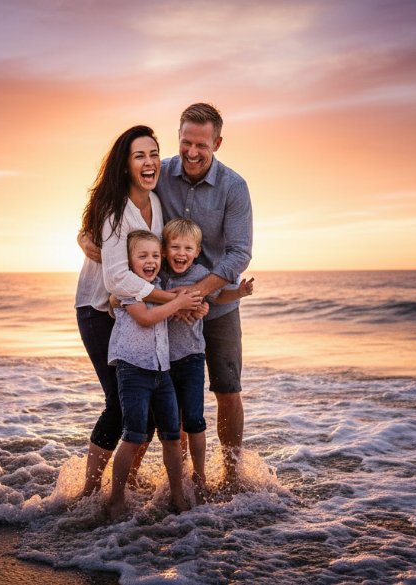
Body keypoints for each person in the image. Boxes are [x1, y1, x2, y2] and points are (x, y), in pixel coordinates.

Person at [80, 103, 253, 491]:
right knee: (160, 393)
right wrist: (83, 234)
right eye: (186, 142)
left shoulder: (234, 187)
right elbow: (115, 202)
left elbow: (239, 252)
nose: (192, 152)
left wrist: (198, 293)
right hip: (164, 301)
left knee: (227, 389)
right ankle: (142, 481)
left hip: (213, 299)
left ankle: (233, 477)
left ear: (217, 143)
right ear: (179, 138)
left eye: (202, 145)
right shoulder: (159, 174)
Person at [74, 125, 203, 498]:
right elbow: (115, 280)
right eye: (138, 156)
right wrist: (174, 301)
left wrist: (186, 295)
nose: (148, 163)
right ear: (125, 164)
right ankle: (89, 492)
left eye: (153, 154)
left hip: (133, 313)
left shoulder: (156, 202)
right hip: (99, 310)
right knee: (119, 404)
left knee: (143, 409)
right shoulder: (115, 210)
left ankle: (125, 485)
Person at [105, 230, 199, 518]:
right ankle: (116, 498)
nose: (151, 261)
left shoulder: (159, 287)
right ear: (129, 261)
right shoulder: (127, 288)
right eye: (142, 256)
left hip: (162, 371)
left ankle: (178, 495)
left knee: (172, 435)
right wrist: (178, 303)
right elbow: (145, 318)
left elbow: (179, 305)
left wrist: (195, 304)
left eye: (155, 255)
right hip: (133, 370)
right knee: (134, 435)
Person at [161, 218, 254, 503]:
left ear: (197, 251)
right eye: (175, 246)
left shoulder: (202, 273)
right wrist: (178, 302)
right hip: (164, 360)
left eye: (187, 247)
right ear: (165, 250)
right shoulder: (161, 277)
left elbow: (220, 295)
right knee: (172, 421)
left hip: (191, 358)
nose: (181, 253)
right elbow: (148, 300)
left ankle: (199, 476)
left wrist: (239, 292)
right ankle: (176, 479)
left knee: (195, 420)